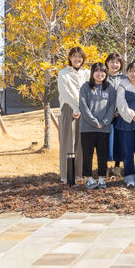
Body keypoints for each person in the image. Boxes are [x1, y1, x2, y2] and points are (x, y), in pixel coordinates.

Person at [79, 62, 117, 189]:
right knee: (87, 154)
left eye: (102, 71)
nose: (100, 74)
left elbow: (112, 107)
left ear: (106, 74)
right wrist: (95, 122)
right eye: (97, 71)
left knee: (102, 154)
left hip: (104, 128)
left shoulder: (110, 88)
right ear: (92, 73)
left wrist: (104, 122)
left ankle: (101, 178)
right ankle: (89, 178)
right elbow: (83, 107)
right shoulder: (85, 87)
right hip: (87, 127)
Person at [57, 47, 89, 183]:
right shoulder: (63, 73)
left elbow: (89, 90)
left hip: (85, 109)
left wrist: (82, 109)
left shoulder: (88, 73)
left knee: (82, 143)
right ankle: (66, 175)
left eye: (80, 57)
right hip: (68, 109)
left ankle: (79, 174)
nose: (77, 59)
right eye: (74, 56)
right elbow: (65, 93)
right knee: (67, 142)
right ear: (70, 58)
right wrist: (76, 108)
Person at [104, 53, 125, 173]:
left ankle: (117, 166)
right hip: (106, 114)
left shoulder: (124, 78)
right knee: (106, 140)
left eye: (117, 62)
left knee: (119, 139)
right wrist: (111, 111)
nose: (114, 64)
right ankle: (105, 166)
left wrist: (119, 111)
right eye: (112, 62)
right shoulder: (103, 76)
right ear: (107, 63)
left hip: (121, 114)